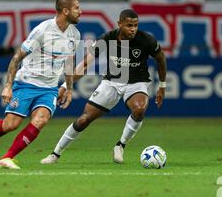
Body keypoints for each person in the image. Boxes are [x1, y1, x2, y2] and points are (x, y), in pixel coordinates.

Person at [0, 0, 82, 170]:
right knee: (10, 125)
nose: (80, 12)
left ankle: (7, 158)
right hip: (26, 83)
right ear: (65, 11)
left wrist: (68, 87)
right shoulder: (43, 30)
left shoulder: (74, 34)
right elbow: (16, 58)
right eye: (76, 8)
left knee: (41, 120)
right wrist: (8, 86)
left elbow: (69, 62)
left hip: (49, 88)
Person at [40, 9, 167, 165]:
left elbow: (161, 60)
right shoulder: (107, 39)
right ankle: (55, 154)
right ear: (120, 24)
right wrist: (67, 85)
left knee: (139, 109)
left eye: (135, 25)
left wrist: (162, 85)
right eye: (129, 25)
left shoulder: (146, 40)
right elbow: (85, 64)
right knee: (83, 120)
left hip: (136, 82)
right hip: (112, 82)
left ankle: (120, 145)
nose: (133, 29)